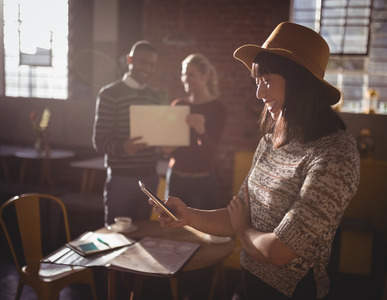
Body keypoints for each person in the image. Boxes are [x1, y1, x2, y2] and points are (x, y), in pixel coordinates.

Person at [154, 22, 360, 300]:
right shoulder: (270, 141)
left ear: (299, 81)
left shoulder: (335, 152)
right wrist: (187, 215)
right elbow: (237, 214)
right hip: (248, 286)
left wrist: (241, 229)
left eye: (267, 80)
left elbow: (279, 251)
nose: (259, 94)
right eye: (256, 81)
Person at [93, 40, 162, 226]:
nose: (148, 68)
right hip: (121, 179)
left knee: (143, 238)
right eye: (143, 62)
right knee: (117, 238)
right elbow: (99, 141)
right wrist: (124, 147)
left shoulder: (155, 97)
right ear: (129, 60)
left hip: (150, 179)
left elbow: (157, 135)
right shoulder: (109, 94)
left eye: (152, 65)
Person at [164, 53, 227, 210]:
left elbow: (210, 155)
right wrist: (165, 145)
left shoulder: (218, 109)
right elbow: (167, 150)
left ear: (206, 76)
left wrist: (201, 131)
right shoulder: (178, 105)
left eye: (191, 74)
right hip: (176, 178)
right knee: (172, 228)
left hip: (203, 182)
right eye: (184, 74)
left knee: (203, 233)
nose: (185, 78)